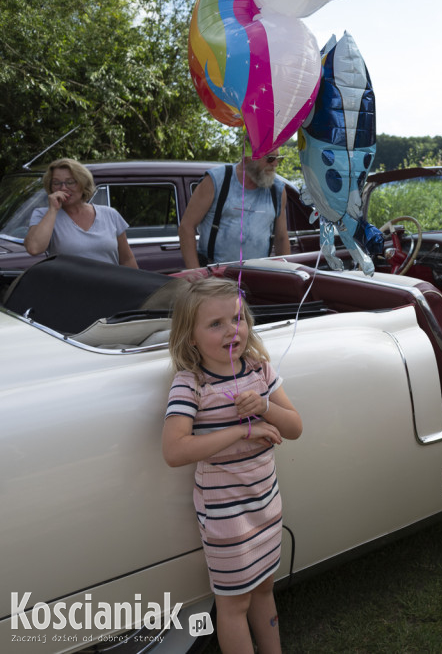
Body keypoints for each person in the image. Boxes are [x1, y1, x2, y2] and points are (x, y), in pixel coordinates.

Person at [163, 277, 302, 654]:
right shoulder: (191, 384)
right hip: (226, 517)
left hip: (266, 504)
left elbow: (294, 427)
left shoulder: (259, 370)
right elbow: (175, 450)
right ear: (190, 336)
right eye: (215, 324)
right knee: (233, 603)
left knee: (264, 588)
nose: (232, 331)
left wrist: (264, 406)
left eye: (237, 319)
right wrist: (244, 431)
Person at [178, 152, 291, 268]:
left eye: (279, 158)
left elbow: (281, 238)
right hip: (214, 280)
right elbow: (186, 227)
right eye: (270, 158)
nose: (275, 164)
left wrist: (287, 276)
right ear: (249, 155)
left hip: (258, 277)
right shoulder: (217, 180)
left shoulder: (277, 190)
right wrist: (196, 274)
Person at [25, 158, 138, 267]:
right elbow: (34, 248)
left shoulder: (110, 214)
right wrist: (53, 210)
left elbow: (127, 259)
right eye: (56, 183)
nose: (63, 188)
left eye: (70, 182)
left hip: (108, 285)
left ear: (83, 183)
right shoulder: (44, 214)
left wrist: (136, 285)